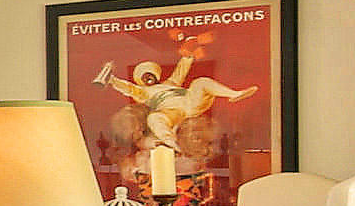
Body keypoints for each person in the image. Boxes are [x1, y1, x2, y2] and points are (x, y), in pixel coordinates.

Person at [92, 57, 257, 149]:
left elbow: (181, 70)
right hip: (169, 113)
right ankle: (172, 142)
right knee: (154, 119)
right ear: (140, 80)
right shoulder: (143, 93)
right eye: (145, 77)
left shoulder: (171, 83)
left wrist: (188, 53)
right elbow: (128, 88)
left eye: (150, 75)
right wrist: (112, 80)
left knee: (200, 82)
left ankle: (234, 94)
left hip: (189, 103)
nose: (148, 78)